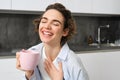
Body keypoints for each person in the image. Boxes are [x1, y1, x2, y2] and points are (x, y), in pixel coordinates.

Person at [16, 3, 89, 80]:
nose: (47, 26)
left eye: (55, 24)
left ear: (65, 31)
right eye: (44, 21)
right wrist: (29, 74)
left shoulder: (73, 63)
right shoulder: (32, 53)